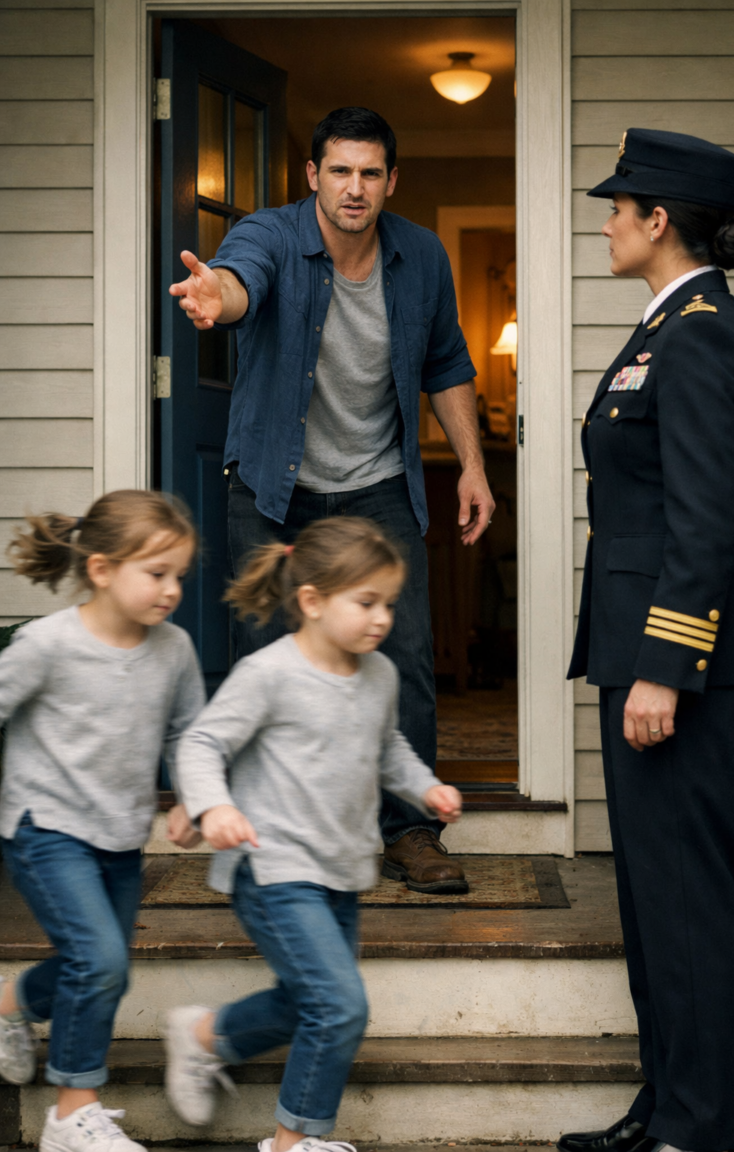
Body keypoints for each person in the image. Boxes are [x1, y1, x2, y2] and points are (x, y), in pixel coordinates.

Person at [168, 105, 495, 894]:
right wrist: (221, 298)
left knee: (405, 653)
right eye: (339, 171)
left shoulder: (419, 254)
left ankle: (410, 834)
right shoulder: (271, 234)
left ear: (391, 181)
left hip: (377, 486)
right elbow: (244, 281)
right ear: (313, 175)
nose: (355, 188)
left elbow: (447, 363)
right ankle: (253, 832)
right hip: (273, 489)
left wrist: (475, 468)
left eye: (370, 173)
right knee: (263, 655)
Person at [562, 129, 734, 1152]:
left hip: (683, 668)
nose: (604, 222)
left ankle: (711, 1128)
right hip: (644, 660)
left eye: (618, 207)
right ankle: (669, 1111)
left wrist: (665, 668)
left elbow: (705, 522)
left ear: (657, 221)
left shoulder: (702, 335)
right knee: (655, 908)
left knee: (690, 906)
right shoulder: (668, 328)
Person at [163, 516, 463, 1148]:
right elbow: (201, 742)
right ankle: (292, 1141)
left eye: (389, 602)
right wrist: (213, 806)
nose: (382, 618)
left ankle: (204, 1038)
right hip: (271, 870)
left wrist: (424, 787)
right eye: (366, 602)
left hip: (342, 871)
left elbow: (389, 750)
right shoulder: (270, 673)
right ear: (312, 601)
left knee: (311, 1002)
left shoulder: (378, 675)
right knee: (341, 1007)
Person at [0, 491, 206, 1152]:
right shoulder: (47, 644)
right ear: (100, 569)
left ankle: (9, 1005)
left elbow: (190, 737)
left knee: (101, 966)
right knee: (101, 959)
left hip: (119, 834)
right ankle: (72, 1111)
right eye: (156, 574)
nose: (171, 590)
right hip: (45, 828)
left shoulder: (173, 650)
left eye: (178, 575)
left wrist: (193, 800)